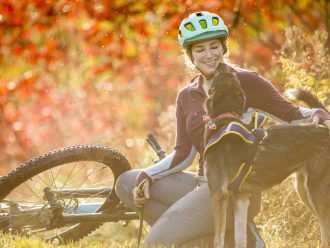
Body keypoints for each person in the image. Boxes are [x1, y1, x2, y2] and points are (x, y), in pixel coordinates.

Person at [115, 11, 330, 247]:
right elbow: (183, 155)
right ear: (190, 55)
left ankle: (229, 236)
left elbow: (292, 115)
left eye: (214, 46)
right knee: (127, 183)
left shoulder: (246, 81)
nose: (209, 55)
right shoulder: (186, 96)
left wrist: (319, 114)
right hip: (203, 183)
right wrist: (148, 174)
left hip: (235, 186)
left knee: (156, 243)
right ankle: (221, 238)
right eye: (200, 49)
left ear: (223, 47)